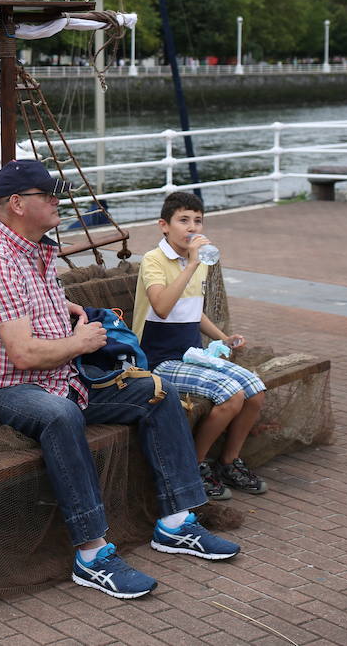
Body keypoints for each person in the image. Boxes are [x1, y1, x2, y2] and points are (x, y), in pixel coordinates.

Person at [0, 160, 238, 600]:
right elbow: (23, 353)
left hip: (61, 375)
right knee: (61, 415)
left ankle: (177, 522)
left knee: (158, 392)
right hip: (7, 387)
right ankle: (91, 553)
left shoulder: (33, 250)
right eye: (48, 195)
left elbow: (28, 306)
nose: (58, 201)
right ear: (17, 204)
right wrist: (83, 342)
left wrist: (62, 306)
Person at [132, 191, 268, 501]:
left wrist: (222, 337)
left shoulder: (199, 262)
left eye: (198, 220)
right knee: (231, 395)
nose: (192, 227)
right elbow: (163, 307)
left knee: (254, 390)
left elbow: (193, 310)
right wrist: (191, 264)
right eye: (183, 220)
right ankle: (192, 467)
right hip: (158, 359)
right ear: (164, 225)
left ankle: (229, 462)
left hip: (191, 354)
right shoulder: (155, 260)